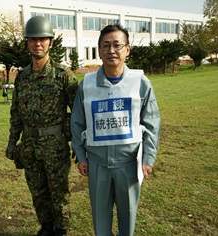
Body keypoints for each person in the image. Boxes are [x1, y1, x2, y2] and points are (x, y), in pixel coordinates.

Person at [71, 24, 161, 236]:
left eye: (117, 45)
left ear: (127, 49)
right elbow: (77, 122)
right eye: (106, 46)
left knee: (127, 214)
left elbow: (152, 123)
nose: (111, 50)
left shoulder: (140, 83)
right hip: (97, 163)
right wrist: (81, 155)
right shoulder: (87, 84)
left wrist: (148, 158)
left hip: (128, 163)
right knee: (100, 214)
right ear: (99, 50)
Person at [5, 16, 78, 236]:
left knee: (59, 192)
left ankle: (61, 230)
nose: (38, 44)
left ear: (51, 43)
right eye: (33, 39)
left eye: (43, 39)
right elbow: (16, 113)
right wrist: (12, 143)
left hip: (55, 146)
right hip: (29, 145)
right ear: (27, 43)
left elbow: (78, 113)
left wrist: (79, 144)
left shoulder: (63, 75)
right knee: (37, 191)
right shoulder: (22, 77)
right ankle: (46, 227)